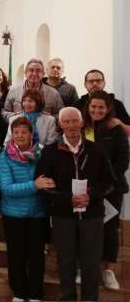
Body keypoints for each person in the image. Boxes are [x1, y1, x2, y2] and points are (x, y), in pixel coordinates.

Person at [35, 107, 113, 301]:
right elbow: (43, 185)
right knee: (66, 262)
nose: (71, 125)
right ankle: (68, 297)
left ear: (81, 123)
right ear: (60, 125)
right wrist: (65, 199)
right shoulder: (51, 152)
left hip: (92, 215)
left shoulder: (96, 150)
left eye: (74, 121)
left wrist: (92, 194)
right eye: (66, 122)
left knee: (91, 262)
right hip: (63, 216)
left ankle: (89, 298)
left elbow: (110, 182)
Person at [0, 117, 52, 301]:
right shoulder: (5, 155)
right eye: (16, 132)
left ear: (31, 134)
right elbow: (6, 189)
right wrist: (34, 185)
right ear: (11, 135)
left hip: (38, 213)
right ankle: (19, 293)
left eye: (24, 132)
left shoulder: (42, 153)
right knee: (16, 256)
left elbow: (49, 179)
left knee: (37, 256)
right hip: (13, 214)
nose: (20, 135)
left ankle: (36, 293)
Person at [82, 90, 129, 290]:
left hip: (111, 189)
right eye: (93, 107)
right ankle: (81, 267)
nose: (97, 110)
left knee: (109, 230)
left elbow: (123, 161)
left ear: (108, 108)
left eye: (101, 107)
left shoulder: (115, 129)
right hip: (85, 188)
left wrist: (104, 183)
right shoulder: (83, 127)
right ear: (88, 107)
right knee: (84, 228)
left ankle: (108, 270)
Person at [75, 69, 130, 136]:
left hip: (113, 144)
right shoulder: (78, 105)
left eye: (98, 81)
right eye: (91, 81)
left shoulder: (116, 104)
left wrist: (120, 125)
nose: (95, 84)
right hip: (87, 144)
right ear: (85, 84)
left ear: (104, 83)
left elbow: (129, 131)